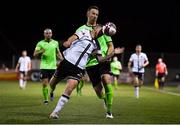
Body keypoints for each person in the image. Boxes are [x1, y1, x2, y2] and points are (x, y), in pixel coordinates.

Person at [61, 5, 124, 118]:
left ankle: (109, 112)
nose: (95, 16)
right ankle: (105, 99)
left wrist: (108, 55)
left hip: (103, 61)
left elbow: (111, 46)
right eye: (93, 13)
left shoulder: (103, 29)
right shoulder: (81, 29)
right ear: (88, 13)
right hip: (90, 63)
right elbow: (76, 44)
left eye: (97, 14)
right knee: (99, 92)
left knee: (106, 80)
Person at [49, 23, 117, 119]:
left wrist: (111, 54)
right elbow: (72, 38)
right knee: (52, 83)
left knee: (70, 88)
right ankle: (52, 90)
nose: (101, 34)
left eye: (103, 33)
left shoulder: (96, 45)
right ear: (96, 28)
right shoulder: (84, 32)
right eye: (101, 31)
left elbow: (100, 60)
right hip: (67, 62)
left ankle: (55, 112)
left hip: (79, 68)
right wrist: (68, 42)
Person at [33, 28, 63, 105]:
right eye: (46, 33)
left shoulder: (55, 43)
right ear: (44, 34)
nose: (48, 34)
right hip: (44, 66)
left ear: (51, 34)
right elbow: (35, 54)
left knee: (53, 84)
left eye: (49, 33)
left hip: (53, 66)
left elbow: (58, 52)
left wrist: (62, 60)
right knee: (45, 84)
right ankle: (46, 99)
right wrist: (40, 51)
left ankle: (52, 92)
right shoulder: (40, 43)